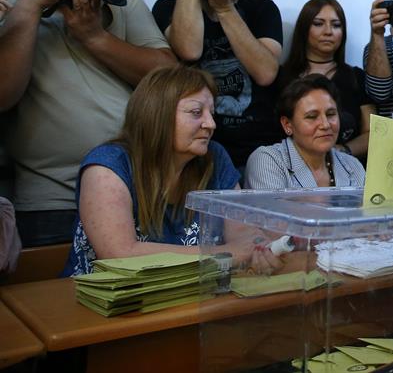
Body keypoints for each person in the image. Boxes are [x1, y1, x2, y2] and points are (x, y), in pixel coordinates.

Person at [0, 0, 175, 246]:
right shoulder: (8, 8)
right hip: (53, 201)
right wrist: (29, 9)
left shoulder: (120, 1)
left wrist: (95, 37)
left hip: (137, 186)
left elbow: (168, 78)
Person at [62, 65, 283, 277]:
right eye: (197, 112)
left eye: (211, 113)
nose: (211, 124)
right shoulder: (107, 165)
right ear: (157, 114)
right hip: (103, 306)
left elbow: (243, 235)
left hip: (188, 298)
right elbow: (119, 254)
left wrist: (258, 249)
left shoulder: (214, 157)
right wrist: (226, 254)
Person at [152, 0, 283, 168]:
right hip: (195, 147)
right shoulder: (168, 6)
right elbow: (189, 50)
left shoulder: (262, 9)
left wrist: (225, 9)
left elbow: (266, 73)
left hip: (256, 149)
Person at [280, 0, 374, 159]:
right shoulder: (282, 77)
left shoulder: (356, 77)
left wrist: (342, 151)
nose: (328, 31)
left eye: (336, 25)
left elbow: (373, 133)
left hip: (349, 172)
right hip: (291, 169)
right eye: (318, 23)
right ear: (304, 28)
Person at [245, 76, 365, 190]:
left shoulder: (353, 165)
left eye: (330, 114)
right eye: (312, 117)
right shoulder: (267, 161)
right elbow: (275, 211)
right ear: (287, 124)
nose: (325, 124)